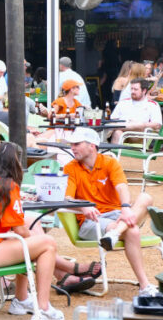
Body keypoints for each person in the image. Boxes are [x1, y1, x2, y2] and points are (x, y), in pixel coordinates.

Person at [0, 142, 71, 320]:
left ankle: (21, 299)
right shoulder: (8, 186)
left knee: (31, 235)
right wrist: (35, 241)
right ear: (15, 164)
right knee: (48, 243)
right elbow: (19, 231)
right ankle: (43, 307)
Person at [64, 127, 158, 296]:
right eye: (72, 144)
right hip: (91, 220)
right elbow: (67, 199)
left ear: (91, 146)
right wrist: (83, 206)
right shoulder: (70, 168)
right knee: (133, 231)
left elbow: (121, 187)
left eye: (77, 144)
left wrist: (125, 207)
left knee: (145, 197)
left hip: (117, 216)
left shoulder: (109, 163)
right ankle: (144, 285)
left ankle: (115, 234)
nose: (72, 148)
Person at [110, 78, 162, 143]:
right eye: (131, 89)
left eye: (135, 89)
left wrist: (141, 125)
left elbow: (157, 125)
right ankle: (116, 153)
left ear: (144, 91)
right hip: (122, 133)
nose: (132, 91)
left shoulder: (152, 105)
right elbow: (113, 120)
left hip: (141, 135)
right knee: (117, 132)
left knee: (138, 125)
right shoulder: (123, 103)